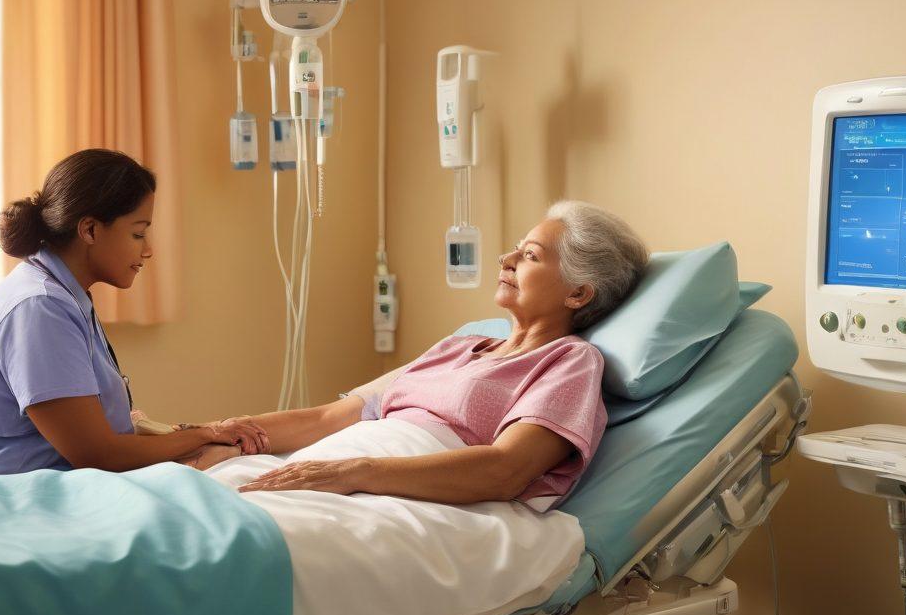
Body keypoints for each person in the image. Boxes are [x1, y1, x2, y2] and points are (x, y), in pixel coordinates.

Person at [221, 200, 649, 509]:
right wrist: (221, 433)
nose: (507, 258)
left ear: (578, 293)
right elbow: (328, 418)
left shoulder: (569, 361)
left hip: (396, 492)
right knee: (198, 492)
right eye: (517, 248)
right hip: (337, 463)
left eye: (530, 255)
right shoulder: (457, 347)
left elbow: (506, 469)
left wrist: (354, 472)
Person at [0, 149, 267, 480]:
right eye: (138, 233)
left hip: (35, 489)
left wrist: (200, 434)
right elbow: (100, 455)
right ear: (90, 230)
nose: (148, 249)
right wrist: (203, 434)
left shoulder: (64, 295)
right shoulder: (39, 307)